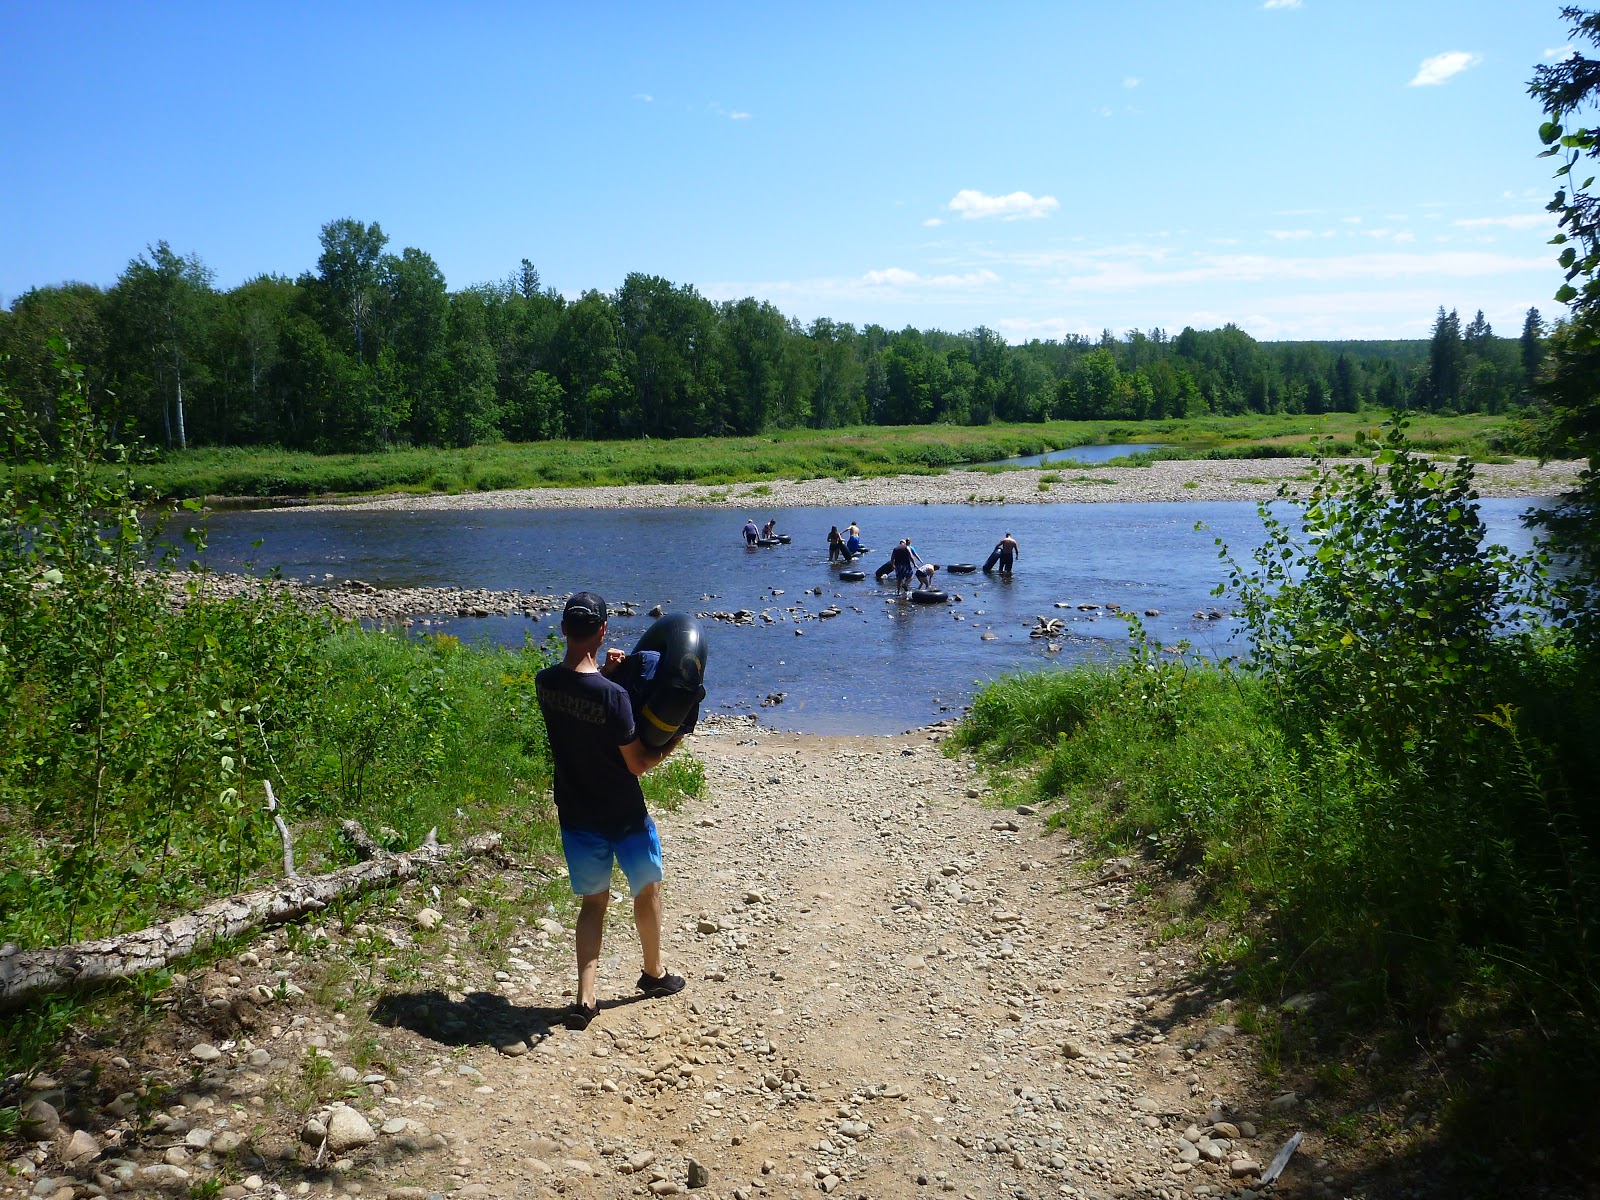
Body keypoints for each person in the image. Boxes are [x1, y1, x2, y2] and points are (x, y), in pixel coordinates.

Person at [535, 592, 688, 1031]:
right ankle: (654, 974)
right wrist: (675, 737)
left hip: (577, 813)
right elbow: (638, 762)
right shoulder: (614, 696)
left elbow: (579, 700)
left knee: (593, 903)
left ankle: (585, 999)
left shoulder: (545, 682)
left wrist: (603, 672)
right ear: (603, 632)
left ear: (564, 629)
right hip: (624, 815)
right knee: (647, 889)